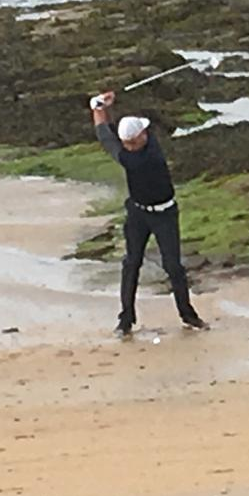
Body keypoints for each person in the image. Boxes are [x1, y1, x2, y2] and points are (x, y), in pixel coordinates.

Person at [89, 91, 208, 337]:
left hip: (162, 214)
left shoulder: (133, 155)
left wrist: (99, 108)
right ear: (137, 138)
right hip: (141, 214)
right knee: (132, 263)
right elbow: (111, 134)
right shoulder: (147, 148)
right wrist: (103, 108)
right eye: (142, 131)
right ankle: (126, 319)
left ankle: (187, 315)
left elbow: (105, 135)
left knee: (172, 266)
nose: (147, 132)